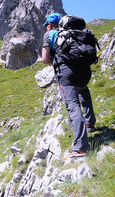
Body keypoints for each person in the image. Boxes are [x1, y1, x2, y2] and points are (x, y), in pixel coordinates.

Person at [41, 13, 96, 162]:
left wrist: (57, 60)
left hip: (67, 75)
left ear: (51, 25)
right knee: (83, 90)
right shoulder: (76, 33)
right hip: (85, 72)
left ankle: (80, 148)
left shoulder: (51, 34)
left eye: (47, 24)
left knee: (72, 106)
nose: (46, 27)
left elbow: (45, 60)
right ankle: (90, 122)